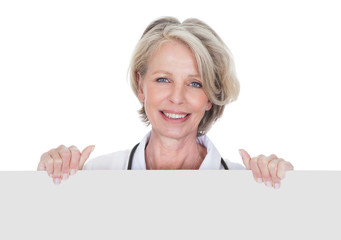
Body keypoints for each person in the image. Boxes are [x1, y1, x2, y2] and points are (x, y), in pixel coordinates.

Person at [37, 16, 294, 188]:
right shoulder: (94, 176)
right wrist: (43, 188)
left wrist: (290, 194)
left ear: (210, 97)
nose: (177, 97)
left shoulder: (248, 184)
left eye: (195, 83)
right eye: (162, 79)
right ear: (141, 86)